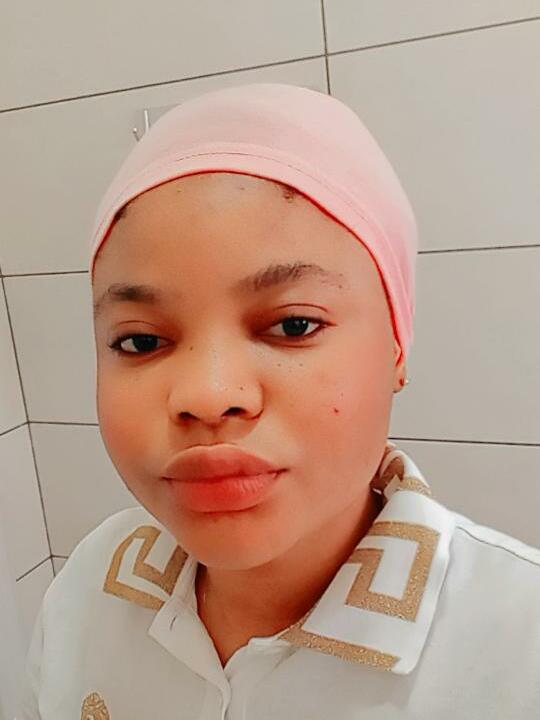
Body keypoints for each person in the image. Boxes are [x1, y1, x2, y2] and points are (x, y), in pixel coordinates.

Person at [18, 83, 540, 719]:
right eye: (141, 340)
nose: (208, 396)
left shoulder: (519, 646)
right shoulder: (91, 585)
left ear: (397, 348)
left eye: (294, 325)